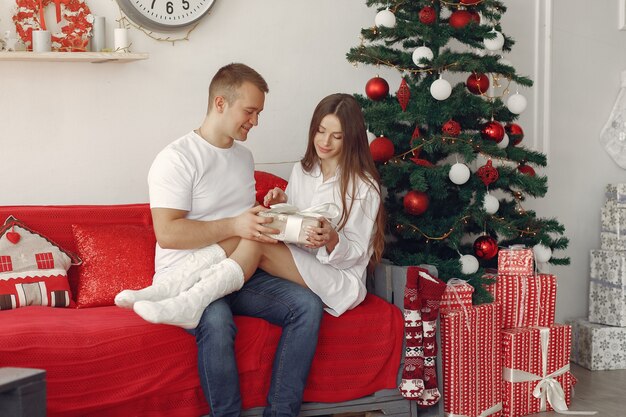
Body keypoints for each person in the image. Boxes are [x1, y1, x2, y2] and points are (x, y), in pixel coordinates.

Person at [115, 63, 325, 417]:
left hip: (236, 267)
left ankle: (281, 413)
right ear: (220, 103)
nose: (255, 122)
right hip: (187, 272)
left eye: (259, 113)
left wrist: (270, 208)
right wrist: (236, 224)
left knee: (307, 306)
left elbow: (242, 223)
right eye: (250, 111)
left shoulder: (243, 157)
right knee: (215, 321)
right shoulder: (177, 158)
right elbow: (168, 233)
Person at [124, 92, 386, 327]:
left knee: (252, 234)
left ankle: (188, 300)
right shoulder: (303, 170)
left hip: (339, 278)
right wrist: (284, 204)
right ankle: (168, 289)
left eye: (336, 136)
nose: (325, 141)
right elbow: (296, 226)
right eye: (320, 131)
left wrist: (332, 238)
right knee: (252, 224)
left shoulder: (364, 186)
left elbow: (357, 254)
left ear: (350, 139)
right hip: (301, 260)